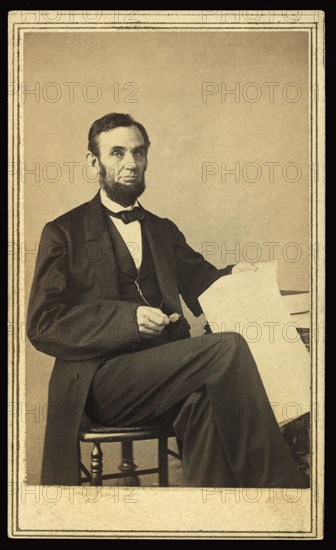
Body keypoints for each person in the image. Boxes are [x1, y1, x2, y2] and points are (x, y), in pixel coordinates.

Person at [27, 113, 307, 487]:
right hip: (101, 381)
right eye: (117, 153)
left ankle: (214, 516)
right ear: (94, 163)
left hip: (165, 376)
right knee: (225, 348)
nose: (131, 163)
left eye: (139, 152)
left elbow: (203, 282)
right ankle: (280, 487)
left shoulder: (161, 229)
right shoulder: (63, 232)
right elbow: (43, 325)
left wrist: (235, 275)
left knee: (206, 405)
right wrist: (126, 321)